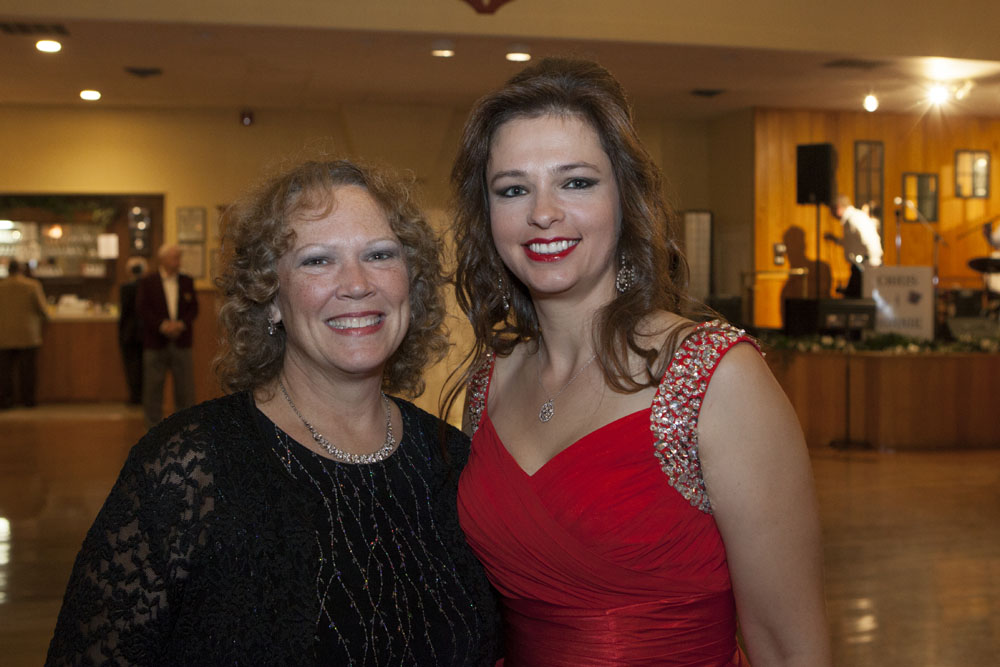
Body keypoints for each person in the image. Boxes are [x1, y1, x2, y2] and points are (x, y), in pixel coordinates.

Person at [448, 58, 831, 666]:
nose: (542, 212)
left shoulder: (713, 377)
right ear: (488, 215)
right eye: (513, 188)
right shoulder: (491, 379)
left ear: (626, 199)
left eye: (576, 182)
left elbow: (789, 649)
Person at [46, 159, 502, 665]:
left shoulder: (453, 463)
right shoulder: (187, 470)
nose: (356, 283)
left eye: (379, 254)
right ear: (271, 299)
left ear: (410, 288)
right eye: (317, 261)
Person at [137, 243, 198, 426]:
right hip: (155, 342)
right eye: (175, 257)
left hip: (181, 341)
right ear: (163, 260)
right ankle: (153, 428)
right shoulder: (148, 282)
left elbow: (193, 308)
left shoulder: (186, 281)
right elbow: (142, 309)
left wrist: (180, 324)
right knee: (153, 387)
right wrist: (162, 325)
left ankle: (184, 427)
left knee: (185, 388)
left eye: (179, 257)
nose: (178, 261)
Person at [0, 259, 48, 408]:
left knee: (4, 372)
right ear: (22, 270)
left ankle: (6, 402)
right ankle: (28, 400)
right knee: (27, 371)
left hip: (4, 334)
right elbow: (43, 310)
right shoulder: (32, 286)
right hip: (28, 333)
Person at [826, 194, 883, 298]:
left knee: (857, 299)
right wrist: (835, 240)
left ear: (838, 208)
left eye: (831, 210)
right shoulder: (850, 220)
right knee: (853, 297)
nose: (830, 214)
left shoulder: (856, 218)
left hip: (866, 266)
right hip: (859, 265)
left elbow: (870, 239)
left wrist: (874, 262)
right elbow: (853, 243)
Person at [118, 256, 147, 405]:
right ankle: (142, 398)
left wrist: (121, 333)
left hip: (129, 332)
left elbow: (124, 313)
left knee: (132, 367)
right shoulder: (148, 286)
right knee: (144, 367)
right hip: (146, 333)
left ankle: (135, 397)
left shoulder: (126, 288)